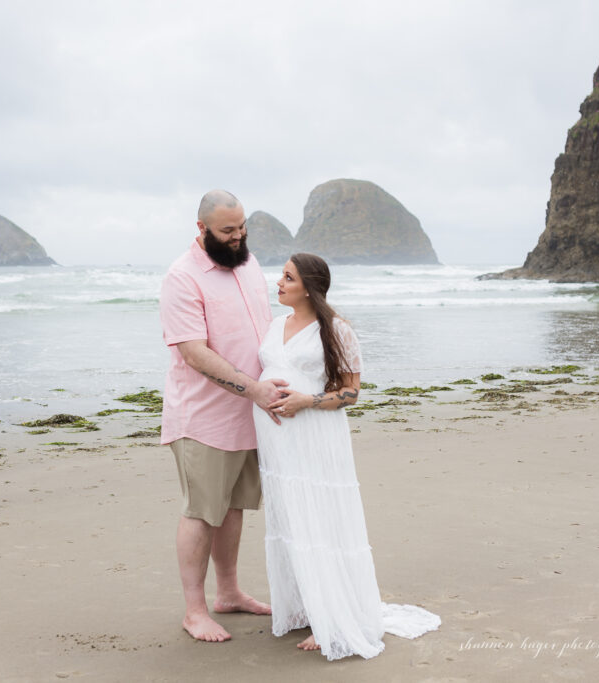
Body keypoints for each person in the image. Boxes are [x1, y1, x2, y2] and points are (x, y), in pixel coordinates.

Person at [254, 252, 441, 660]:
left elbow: (352, 393)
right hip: (276, 440)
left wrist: (305, 400)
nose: (278, 282)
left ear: (309, 285)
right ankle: (305, 605)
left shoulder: (335, 329)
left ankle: (332, 619)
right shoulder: (273, 325)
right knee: (291, 516)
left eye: (287, 277)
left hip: (315, 434)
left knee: (319, 517)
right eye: (281, 276)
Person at [159, 189, 289, 643]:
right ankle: (194, 611)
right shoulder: (182, 278)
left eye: (242, 229)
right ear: (202, 230)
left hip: (247, 414)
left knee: (233, 507)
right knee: (202, 511)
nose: (237, 238)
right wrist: (253, 388)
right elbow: (194, 353)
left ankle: (229, 593)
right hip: (202, 417)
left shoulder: (247, 263)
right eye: (227, 231)